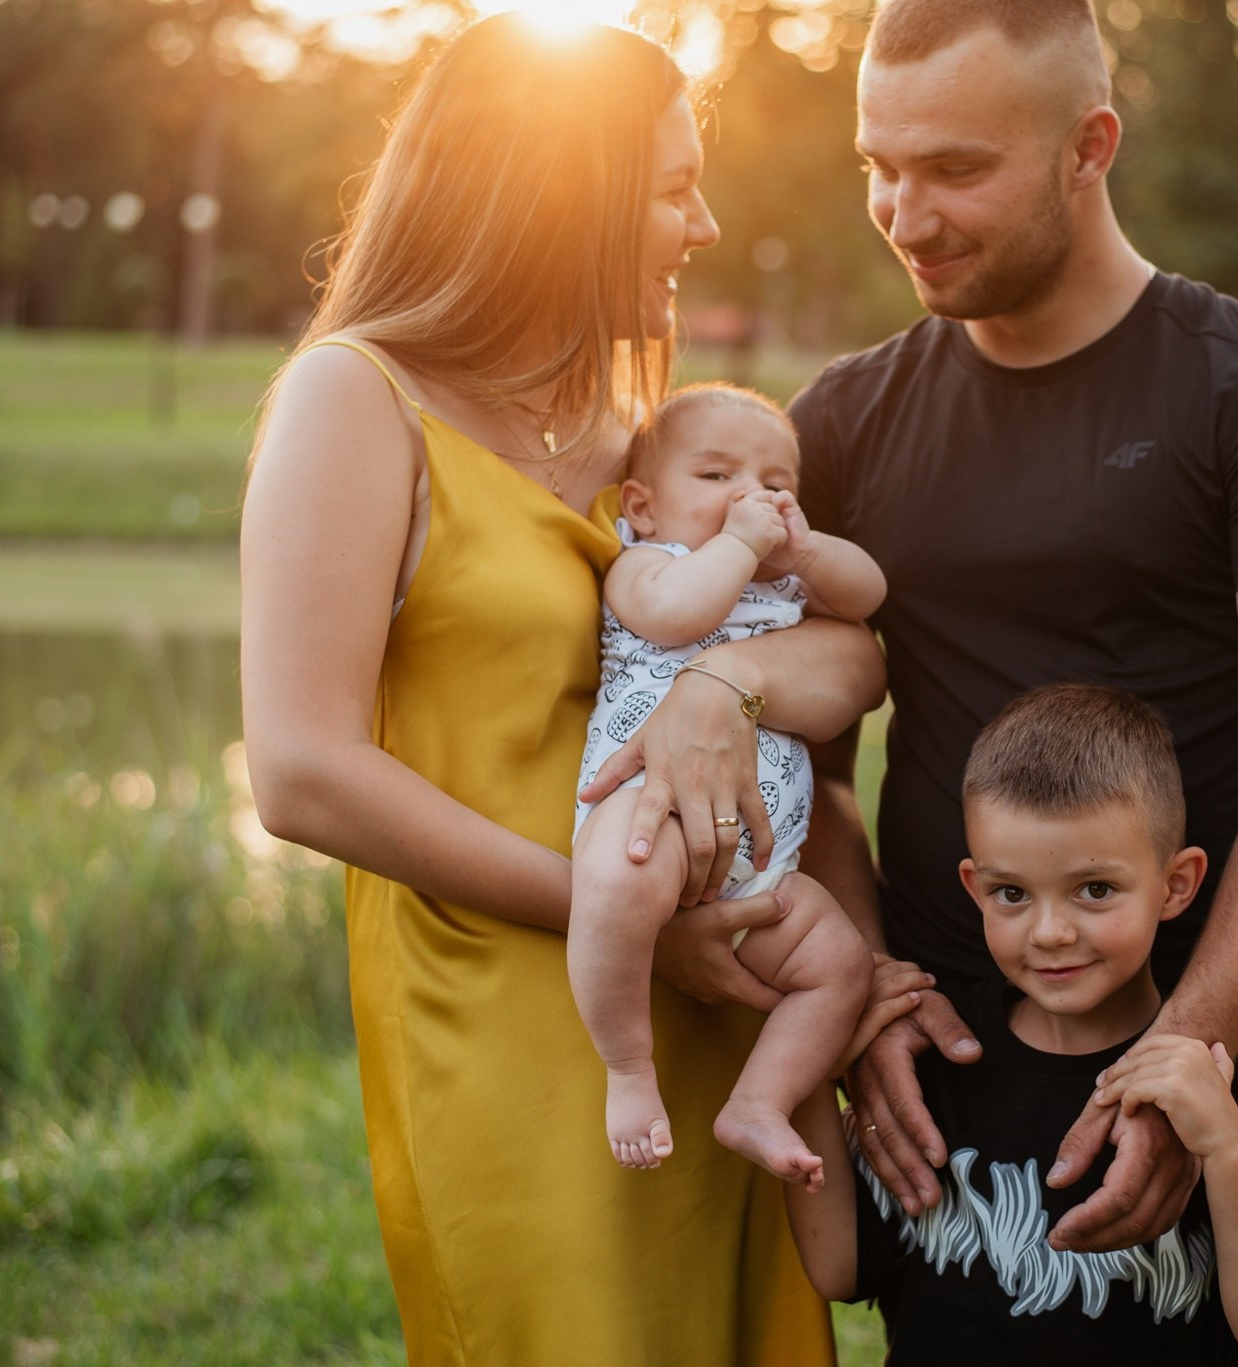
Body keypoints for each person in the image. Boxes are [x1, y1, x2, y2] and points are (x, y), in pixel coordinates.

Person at [239, 17, 884, 1364]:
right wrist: (616, 910)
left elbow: (846, 661)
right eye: (667, 186)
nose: (702, 220)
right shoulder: (354, 401)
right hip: (514, 1006)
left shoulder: (642, 443)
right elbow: (299, 768)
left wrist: (727, 681)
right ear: (558, 194)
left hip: (708, 993)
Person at [790, 1, 1238, 1357]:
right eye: (877, 166)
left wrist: (1185, 1060)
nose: (904, 210)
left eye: (955, 169)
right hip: (950, 1075)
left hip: (1226, 1044)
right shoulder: (839, 422)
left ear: (1090, 146)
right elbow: (812, 770)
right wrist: (865, 991)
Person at [784, 685, 1238, 1366]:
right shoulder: (935, 1068)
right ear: (973, 886)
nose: (1050, 932)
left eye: (1095, 889)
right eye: (1013, 893)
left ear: (1177, 883)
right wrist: (808, 1055)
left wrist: (1227, 1151)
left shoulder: (1231, 1092)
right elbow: (838, 1266)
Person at [569, 384, 881, 1180]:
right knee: (617, 879)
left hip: (763, 854)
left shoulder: (785, 585)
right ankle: (628, 1066)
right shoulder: (645, 564)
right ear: (641, 503)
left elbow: (870, 594)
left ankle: (759, 1101)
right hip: (656, 809)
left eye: (777, 483)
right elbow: (679, 616)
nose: (752, 494)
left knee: (841, 965)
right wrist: (744, 541)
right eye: (716, 476)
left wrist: (805, 552)